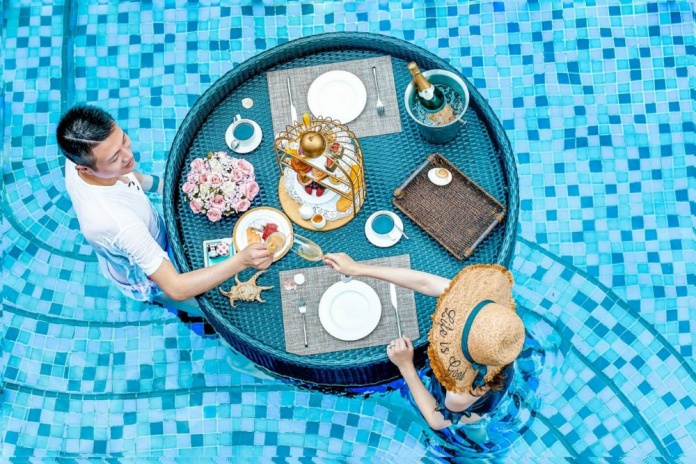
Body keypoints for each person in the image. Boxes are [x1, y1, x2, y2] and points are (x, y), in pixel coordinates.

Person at [56, 105, 273, 316]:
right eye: (114, 158)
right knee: (205, 308)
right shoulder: (121, 225)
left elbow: (130, 177)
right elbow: (176, 288)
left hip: (149, 236)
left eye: (123, 140)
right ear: (84, 168)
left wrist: (166, 187)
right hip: (143, 272)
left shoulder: (79, 153)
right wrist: (242, 260)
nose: (128, 156)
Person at [323, 253, 525, 430]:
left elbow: (437, 421)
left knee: (474, 428)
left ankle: (477, 436)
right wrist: (357, 268)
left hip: (471, 406)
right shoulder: (492, 321)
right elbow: (424, 283)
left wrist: (405, 366)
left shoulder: (460, 394)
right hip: (494, 366)